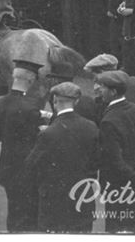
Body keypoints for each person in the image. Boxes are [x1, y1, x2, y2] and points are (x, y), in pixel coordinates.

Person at [24, 82, 100, 233]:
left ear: (54, 101)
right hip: (82, 197)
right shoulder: (91, 127)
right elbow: (96, 161)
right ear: (76, 101)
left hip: (54, 202)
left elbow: (31, 166)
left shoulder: (48, 133)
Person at [94, 70, 135, 233]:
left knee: (116, 228)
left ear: (113, 91)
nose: (98, 90)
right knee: (134, 226)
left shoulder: (109, 120)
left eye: (102, 87)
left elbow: (113, 159)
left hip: (117, 183)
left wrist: (134, 177)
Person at [0, 60, 47, 232]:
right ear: (30, 81)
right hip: (29, 168)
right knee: (29, 216)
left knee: (14, 212)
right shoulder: (31, 107)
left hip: (7, 166)